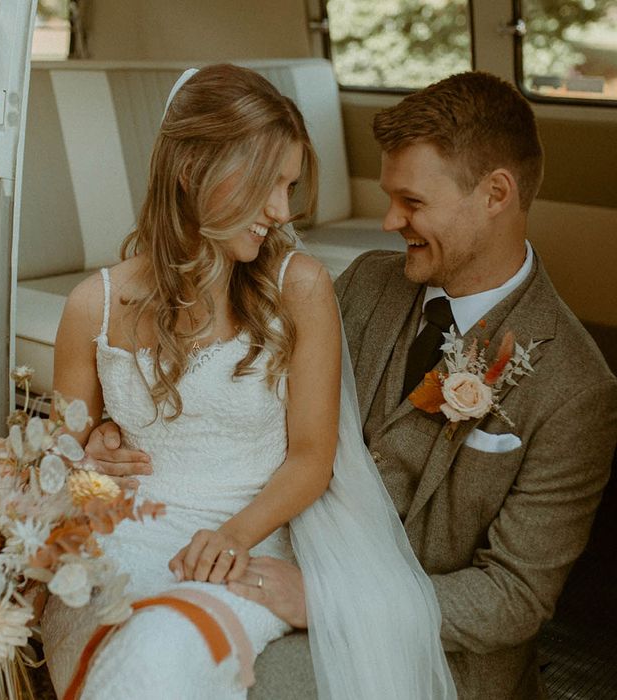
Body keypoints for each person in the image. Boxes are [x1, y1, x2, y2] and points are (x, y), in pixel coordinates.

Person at [89, 71, 617, 699]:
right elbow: (234, 388)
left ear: (496, 194)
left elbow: (513, 599)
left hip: (426, 646)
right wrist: (114, 431)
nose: (390, 221)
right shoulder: (366, 283)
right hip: (273, 570)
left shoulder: (576, 387)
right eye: (390, 197)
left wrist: (327, 601)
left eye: (412, 202)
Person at [42, 64, 454, 699]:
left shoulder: (300, 288)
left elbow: (313, 457)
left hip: (250, 545)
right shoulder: (91, 308)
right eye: (268, 184)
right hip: (121, 544)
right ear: (191, 171)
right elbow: (63, 461)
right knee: (99, 637)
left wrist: (234, 537)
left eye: (289, 187)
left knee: (158, 652)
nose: (280, 211)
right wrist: (90, 450)